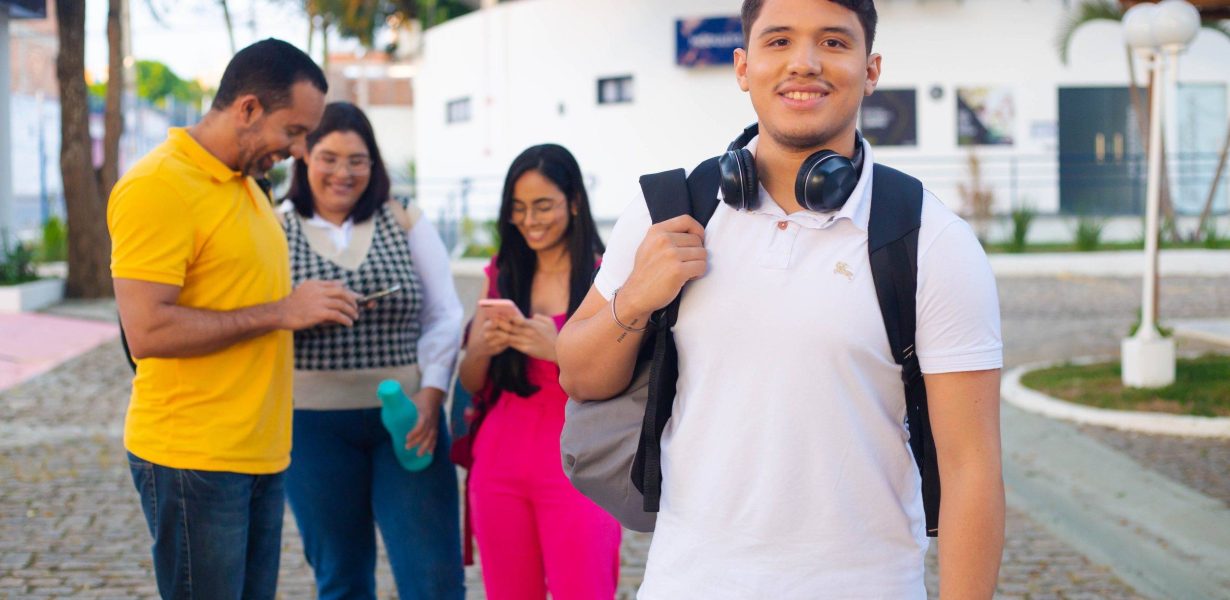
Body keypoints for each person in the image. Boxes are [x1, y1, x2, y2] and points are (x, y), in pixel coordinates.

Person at [557, 1, 1005, 598]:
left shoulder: (931, 241)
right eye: (778, 42)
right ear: (743, 67)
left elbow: (972, 469)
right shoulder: (667, 211)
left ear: (871, 70)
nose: (805, 63)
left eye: (834, 43)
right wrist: (636, 298)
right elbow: (578, 374)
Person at [108, 39, 360, 599]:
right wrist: (282, 311)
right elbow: (147, 331)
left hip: (259, 451)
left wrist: (301, 307)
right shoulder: (158, 185)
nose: (299, 150)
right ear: (247, 109)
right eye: (293, 131)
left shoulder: (247, 183)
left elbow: (234, 297)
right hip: (193, 456)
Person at [279, 102, 466, 599]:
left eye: (358, 159)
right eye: (329, 157)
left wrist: (432, 392)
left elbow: (444, 312)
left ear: (374, 163)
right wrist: (294, 310)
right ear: (303, 158)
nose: (344, 172)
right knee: (341, 577)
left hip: (408, 421)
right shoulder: (274, 226)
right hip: (311, 426)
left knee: (433, 577)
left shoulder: (403, 218)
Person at [457, 144, 620, 599]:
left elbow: (625, 382)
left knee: (584, 589)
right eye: (518, 208)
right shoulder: (502, 273)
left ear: (573, 202)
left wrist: (559, 350)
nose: (530, 220)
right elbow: (472, 383)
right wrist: (478, 350)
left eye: (543, 205)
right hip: (498, 462)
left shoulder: (607, 279)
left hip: (579, 466)